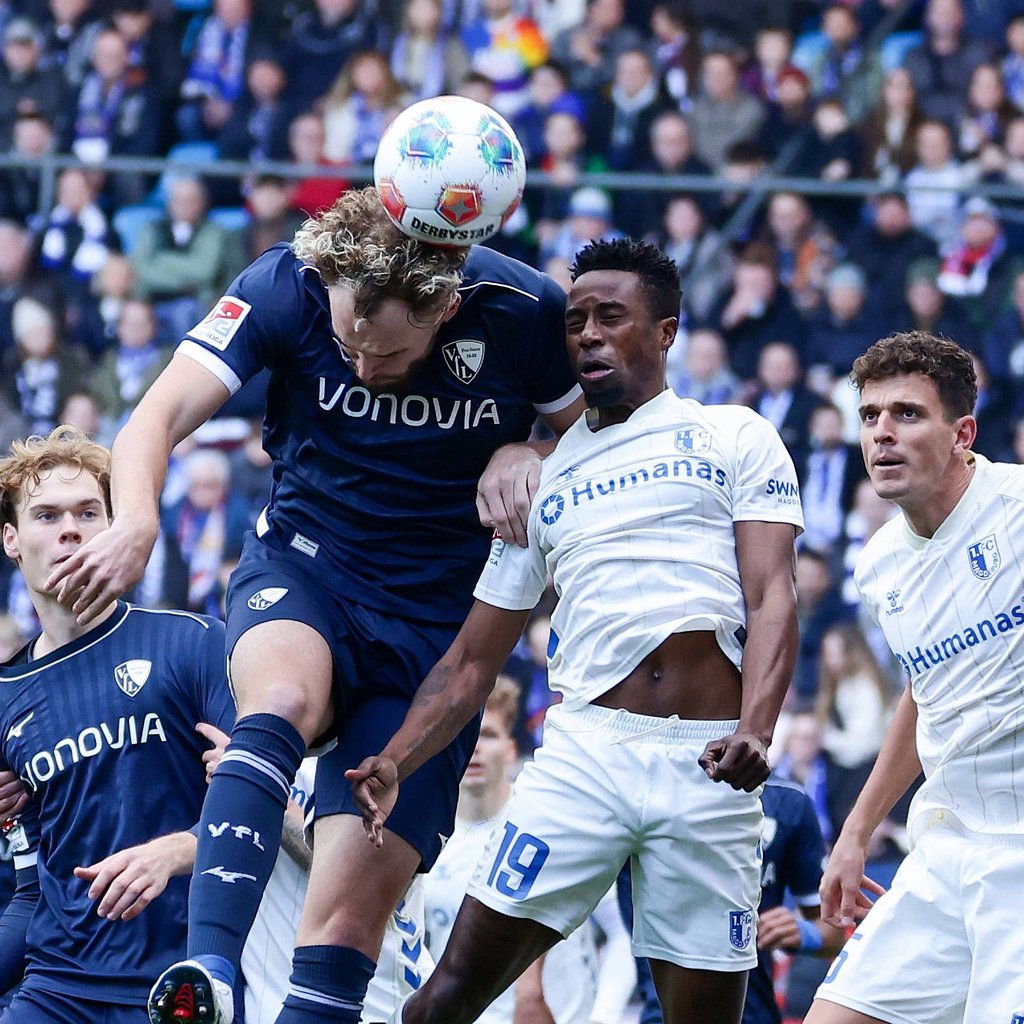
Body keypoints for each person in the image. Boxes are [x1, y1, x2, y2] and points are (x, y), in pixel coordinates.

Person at [48, 183, 584, 1024]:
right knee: (283, 699)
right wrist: (139, 518)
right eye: (348, 347)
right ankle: (209, 975)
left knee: (342, 922)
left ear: (444, 310)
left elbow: (607, 434)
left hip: (436, 629)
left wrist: (534, 447)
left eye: (387, 358)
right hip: (307, 569)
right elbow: (152, 418)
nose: (363, 370)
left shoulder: (523, 310)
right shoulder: (283, 282)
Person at [347, 237, 803, 1024]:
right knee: (447, 997)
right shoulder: (544, 476)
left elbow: (772, 595)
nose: (587, 333)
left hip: (712, 765)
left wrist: (759, 729)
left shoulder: (734, 433)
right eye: (575, 320)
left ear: (665, 332)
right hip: (588, 756)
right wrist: (396, 758)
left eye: (611, 316)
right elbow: (471, 661)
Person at [805, 330, 1024, 1023]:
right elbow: (924, 694)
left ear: (963, 433)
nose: (882, 435)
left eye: (907, 414)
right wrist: (856, 831)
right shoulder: (878, 565)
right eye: (870, 417)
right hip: (949, 843)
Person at [0, 426, 235, 1022]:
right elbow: (32, 884)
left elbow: (278, 819)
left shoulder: (192, 643)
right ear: (11, 539)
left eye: (88, 511)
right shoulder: (4, 696)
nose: (70, 529)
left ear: (112, 527)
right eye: (46, 516)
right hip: (56, 987)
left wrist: (180, 849)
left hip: (182, 987)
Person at [422, 675, 602, 1024]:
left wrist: (607, 1012)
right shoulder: (430, 840)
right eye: (465, 738)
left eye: (487, 735)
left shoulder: (555, 820)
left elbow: (618, 924)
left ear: (511, 748)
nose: (474, 747)